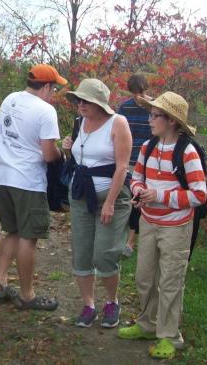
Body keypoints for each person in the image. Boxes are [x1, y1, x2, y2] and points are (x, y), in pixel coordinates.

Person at [117, 91, 207, 360]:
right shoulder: (148, 147)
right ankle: (147, 325)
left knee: (170, 281)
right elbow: (136, 178)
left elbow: (199, 194)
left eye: (155, 115)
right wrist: (139, 190)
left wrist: (159, 195)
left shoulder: (187, 152)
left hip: (176, 227)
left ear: (171, 121)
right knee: (144, 277)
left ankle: (169, 336)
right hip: (149, 222)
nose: (149, 119)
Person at [0, 63, 66, 311]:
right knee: (28, 236)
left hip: (1, 175)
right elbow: (48, 154)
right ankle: (27, 294)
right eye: (53, 89)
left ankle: (0, 281)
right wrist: (61, 155)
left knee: (12, 230)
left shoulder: (10, 99)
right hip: (27, 180)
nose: (53, 93)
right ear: (46, 87)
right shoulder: (46, 111)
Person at [61, 79, 133, 329]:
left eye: (86, 101)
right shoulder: (79, 122)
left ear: (100, 103)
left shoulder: (118, 123)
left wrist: (110, 202)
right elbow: (78, 160)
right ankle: (88, 305)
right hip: (80, 195)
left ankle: (112, 302)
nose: (80, 104)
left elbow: (122, 167)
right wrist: (68, 149)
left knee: (104, 254)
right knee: (81, 253)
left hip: (110, 197)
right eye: (78, 100)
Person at [117, 74, 152, 257]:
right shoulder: (125, 107)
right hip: (128, 160)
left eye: (141, 92)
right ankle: (123, 238)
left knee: (139, 200)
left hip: (148, 161)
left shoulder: (155, 107)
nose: (138, 96)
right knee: (127, 199)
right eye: (135, 93)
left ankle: (131, 241)